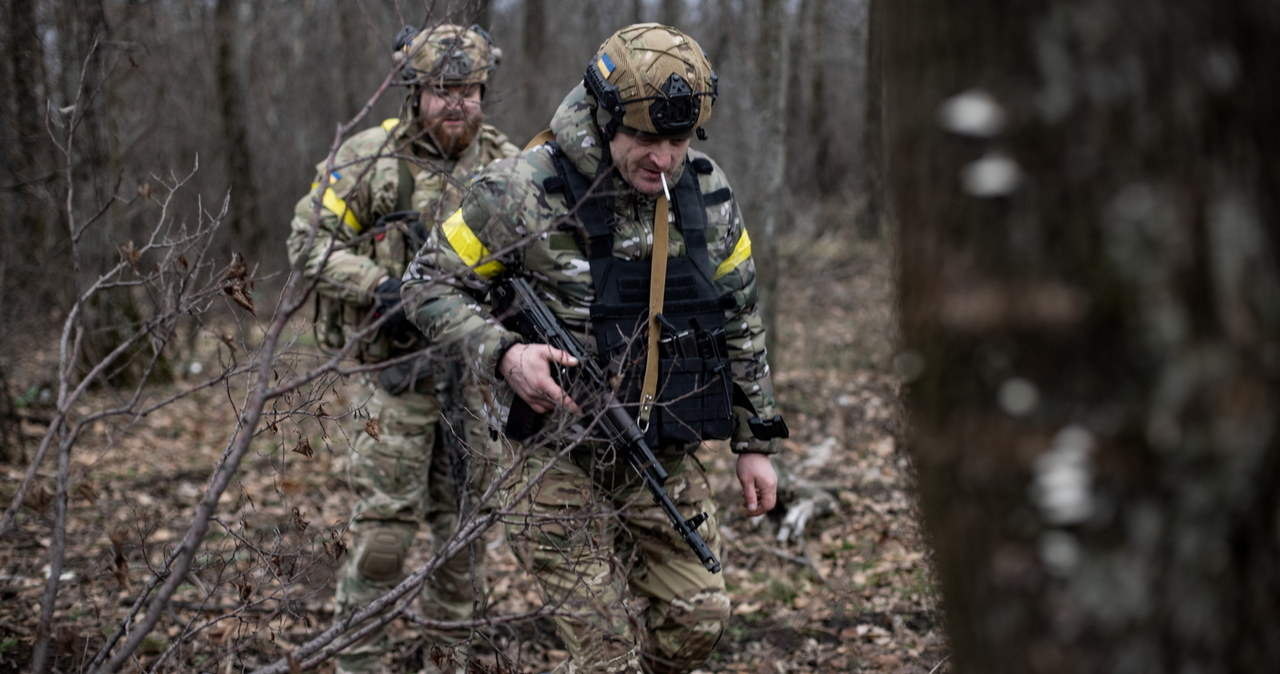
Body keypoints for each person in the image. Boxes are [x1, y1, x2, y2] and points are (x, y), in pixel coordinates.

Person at [401, 23, 788, 673]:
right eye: (644, 138)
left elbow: (740, 315)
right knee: (603, 651)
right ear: (605, 118)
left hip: (661, 441)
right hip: (551, 455)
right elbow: (427, 286)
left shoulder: (708, 194)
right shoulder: (519, 190)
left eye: (678, 140)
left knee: (699, 622)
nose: (662, 158)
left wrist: (756, 444)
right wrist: (504, 354)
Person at [285, 22, 519, 674]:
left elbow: (544, 257)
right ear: (414, 92)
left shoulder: (506, 165)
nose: (456, 104)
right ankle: (359, 660)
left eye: (468, 91)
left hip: (473, 382)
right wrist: (380, 285)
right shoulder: (370, 160)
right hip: (393, 376)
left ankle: (450, 656)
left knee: (466, 535)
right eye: (441, 90)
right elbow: (308, 241)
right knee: (385, 538)